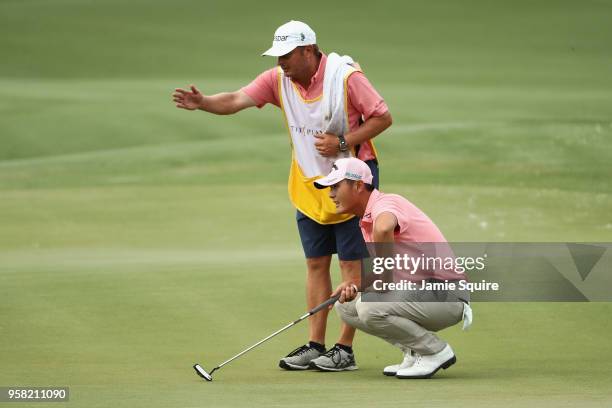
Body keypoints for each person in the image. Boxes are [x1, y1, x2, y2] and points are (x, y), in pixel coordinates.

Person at [172, 21, 392, 371]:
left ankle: (343, 349)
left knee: (351, 267)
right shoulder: (278, 80)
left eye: (287, 56)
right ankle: (316, 345)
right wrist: (203, 103)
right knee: (316, 263)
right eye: (277, 57)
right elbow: (235, 100)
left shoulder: (346, 77)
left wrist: (342, 141)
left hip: (352, 180)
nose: (281, 64)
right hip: (308, 182)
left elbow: (382, 117)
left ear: (308, 50)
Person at [313, 157, 472, 378]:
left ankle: (435, 351)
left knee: (371, 308)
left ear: (358, 185)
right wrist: (355, 285)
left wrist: (382, 278)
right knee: (346, 306)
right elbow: (386, 273)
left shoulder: (386, 204)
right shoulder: (366, 219)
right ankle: (414, 351)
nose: (331, 194)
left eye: (336, 186)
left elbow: (386, 225)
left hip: (447, 295)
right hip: (422, 293)